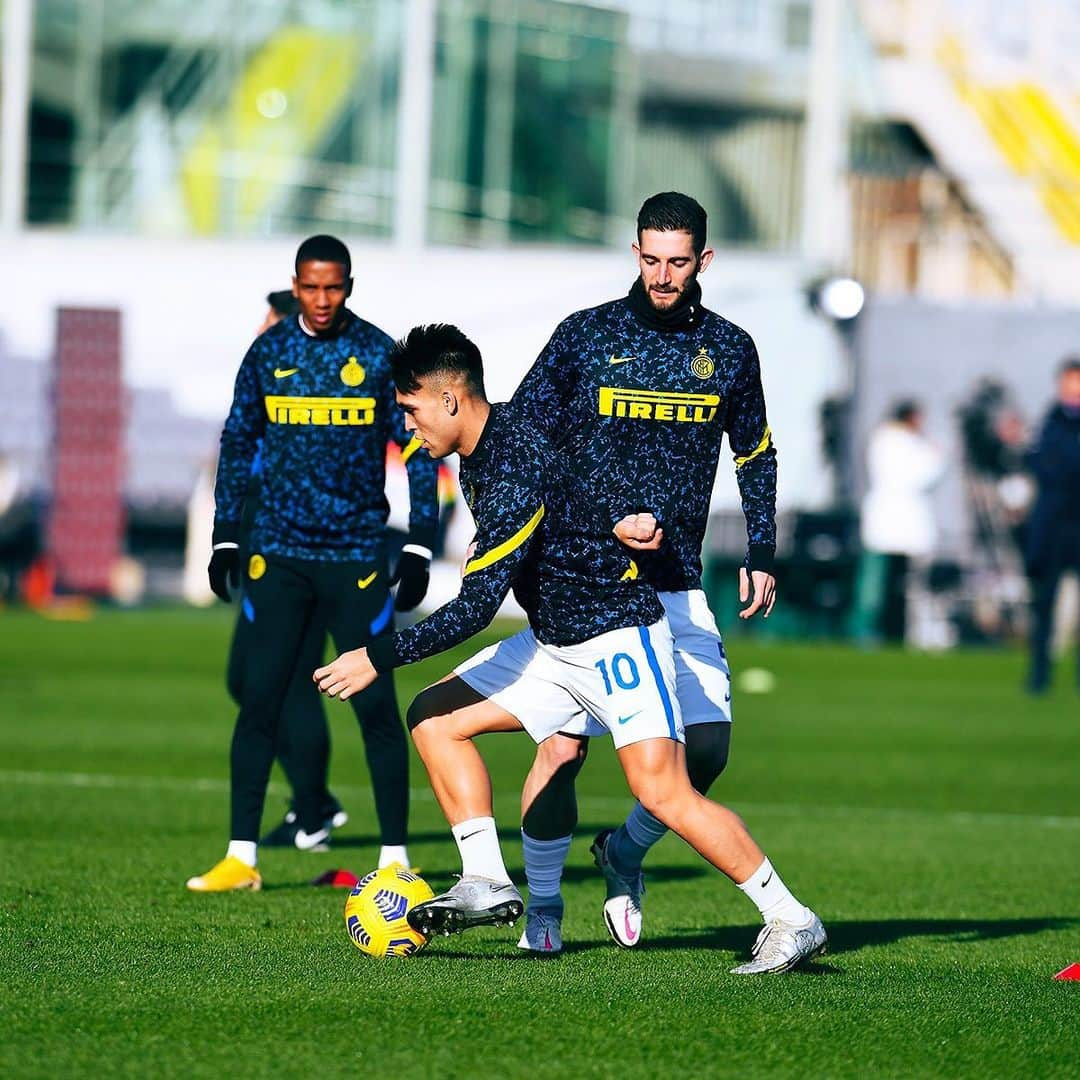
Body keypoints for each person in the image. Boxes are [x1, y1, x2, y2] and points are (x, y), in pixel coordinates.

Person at [313, 324, 824, 973]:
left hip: (615, 637)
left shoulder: (510, 468)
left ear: (448, 400)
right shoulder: (493, 444)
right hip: (552, 644)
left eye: (410, 410)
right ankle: (487, 881)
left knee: (665, 792)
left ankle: (790, 918)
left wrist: (373, 656)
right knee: (434, 718)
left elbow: (473, 610)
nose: (407, 426)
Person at [503, 191, 777, 953]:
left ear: (704, 261)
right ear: (635, 253)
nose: (662, 275)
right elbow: (520, 434)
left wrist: (763, 546)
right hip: (585, 578)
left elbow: (755, 450)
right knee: (562, 750)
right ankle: (546, 909)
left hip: (675, 580)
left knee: (709, 751)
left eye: (678, 262)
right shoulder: (584, 336)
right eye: (651, 259)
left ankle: (623, 851)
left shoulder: (730, 348)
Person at [186, 235, 439, 892]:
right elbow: (238, 441)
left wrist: (418, 539)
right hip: (280, 556)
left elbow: (419, 450)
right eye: (310, 287)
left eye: (334, 287)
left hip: (356, 557)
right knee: (261, 698)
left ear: (348, 285)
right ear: (295, 285)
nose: (322, 300)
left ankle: (395, 861)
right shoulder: (269, 353)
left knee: (376, 704)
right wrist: (224, 535)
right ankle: (241, 857)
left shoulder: (379, 353)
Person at [225, 287, 346, 848]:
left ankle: (313, 806)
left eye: (270, 325)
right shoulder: (271, 378)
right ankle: (314, 803)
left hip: (300, 544)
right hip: (263, 532)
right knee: (250, 677)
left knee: (288, 676)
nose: (261, 335)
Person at [852, 400, 945, 645]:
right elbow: (921, 475)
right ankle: (872, 630)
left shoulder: (880, 439)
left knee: (881, 579)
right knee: (886, 581)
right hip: (900, 520)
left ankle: (874, 631)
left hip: (890, 521)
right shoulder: (904, 444)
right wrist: (934, 454)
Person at [1024, 357, 1080, 694]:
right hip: (1055, 528)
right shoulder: (1050, 423)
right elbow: (1047, 468)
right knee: (1044, 603)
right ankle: (1039, 674)